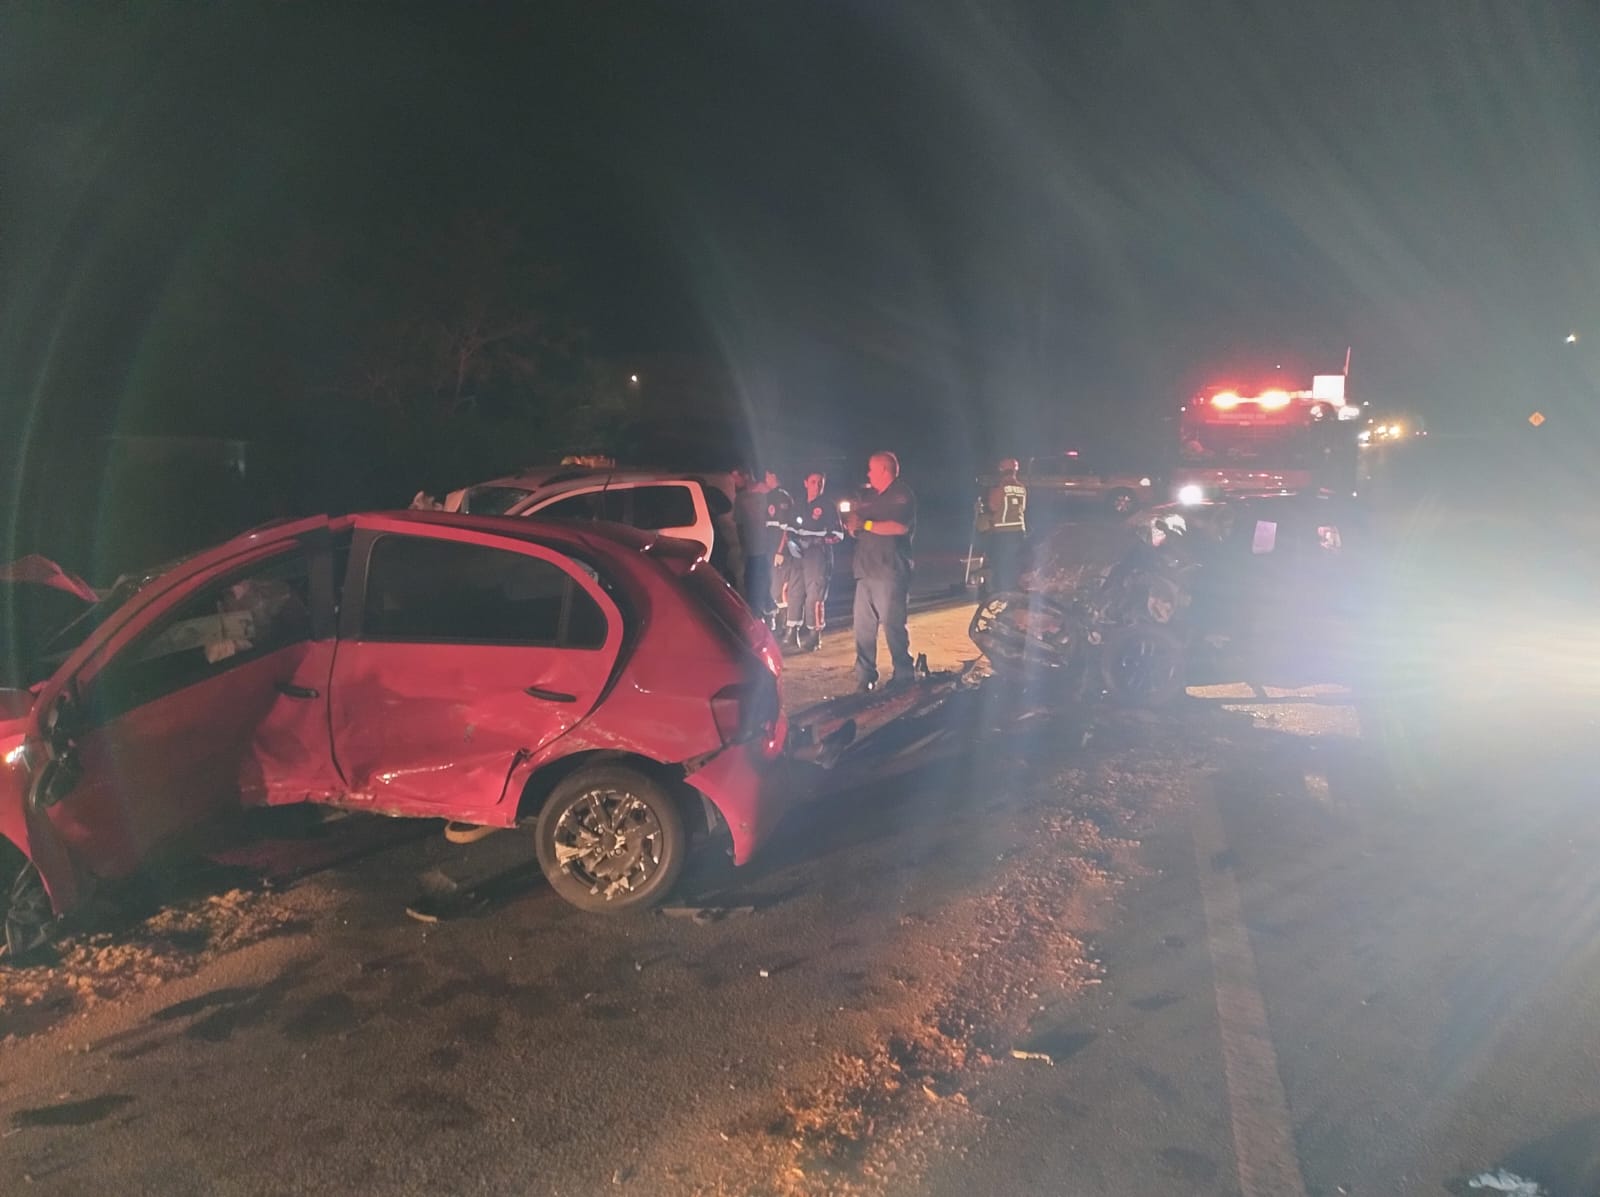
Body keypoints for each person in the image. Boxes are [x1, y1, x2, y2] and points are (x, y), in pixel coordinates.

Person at [846, 451, 917, 691]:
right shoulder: (869, 496)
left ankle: (904, 674)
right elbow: (855, 522)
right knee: (863, 628)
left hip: (890, 570)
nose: (868, 474)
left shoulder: (901, 495)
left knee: (893, 625)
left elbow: (899, 527)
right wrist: (853, 523)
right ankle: (865, 676)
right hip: (866, 570)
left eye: (871, 469)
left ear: (884, 470)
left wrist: (865, 524)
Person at [781, 469, 843, 651]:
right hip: (798, 554)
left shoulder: (828, 506)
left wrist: (816, 540)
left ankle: (814, 635)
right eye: (814, 481)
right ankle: (792, 632)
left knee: (814, 594)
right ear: (805, 483)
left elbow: (838, 535)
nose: (817, 485)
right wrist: (792, 544)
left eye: (820, 482)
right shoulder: (798, 504)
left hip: (818, 554)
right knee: (794, 591)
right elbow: (789, 529)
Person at [978, 457, 1029, 594]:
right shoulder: (1021, 488)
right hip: (1019, 532)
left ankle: (1000, 592)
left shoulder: (1000, 488)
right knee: (1015, 564)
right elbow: (1022, 508)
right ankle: (1014, 591)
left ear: (1002, 471)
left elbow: (993, 506)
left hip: (1003, 532)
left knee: (1000, 564)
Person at [732, 467, 773, 618]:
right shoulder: (741, 498)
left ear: (747, 476)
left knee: (766, 580)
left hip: (765, 547)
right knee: (752, 581)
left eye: (737, 478)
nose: (735, 482)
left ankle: (768, 612)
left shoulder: (766, 494)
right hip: (752, 549)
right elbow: (739, 525)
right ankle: (758, 613)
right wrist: (744, 548)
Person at [762, 473, 797, 633]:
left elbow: (785, 528)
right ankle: (781, 622)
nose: (765, 479)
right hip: (771, 548)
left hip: (779, 550)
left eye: (767, 476)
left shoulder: (781, 497)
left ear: (774, 476)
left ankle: (788, 626)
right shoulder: (770, 496)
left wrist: (780, 551)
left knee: (780, 588)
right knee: (773, 586)